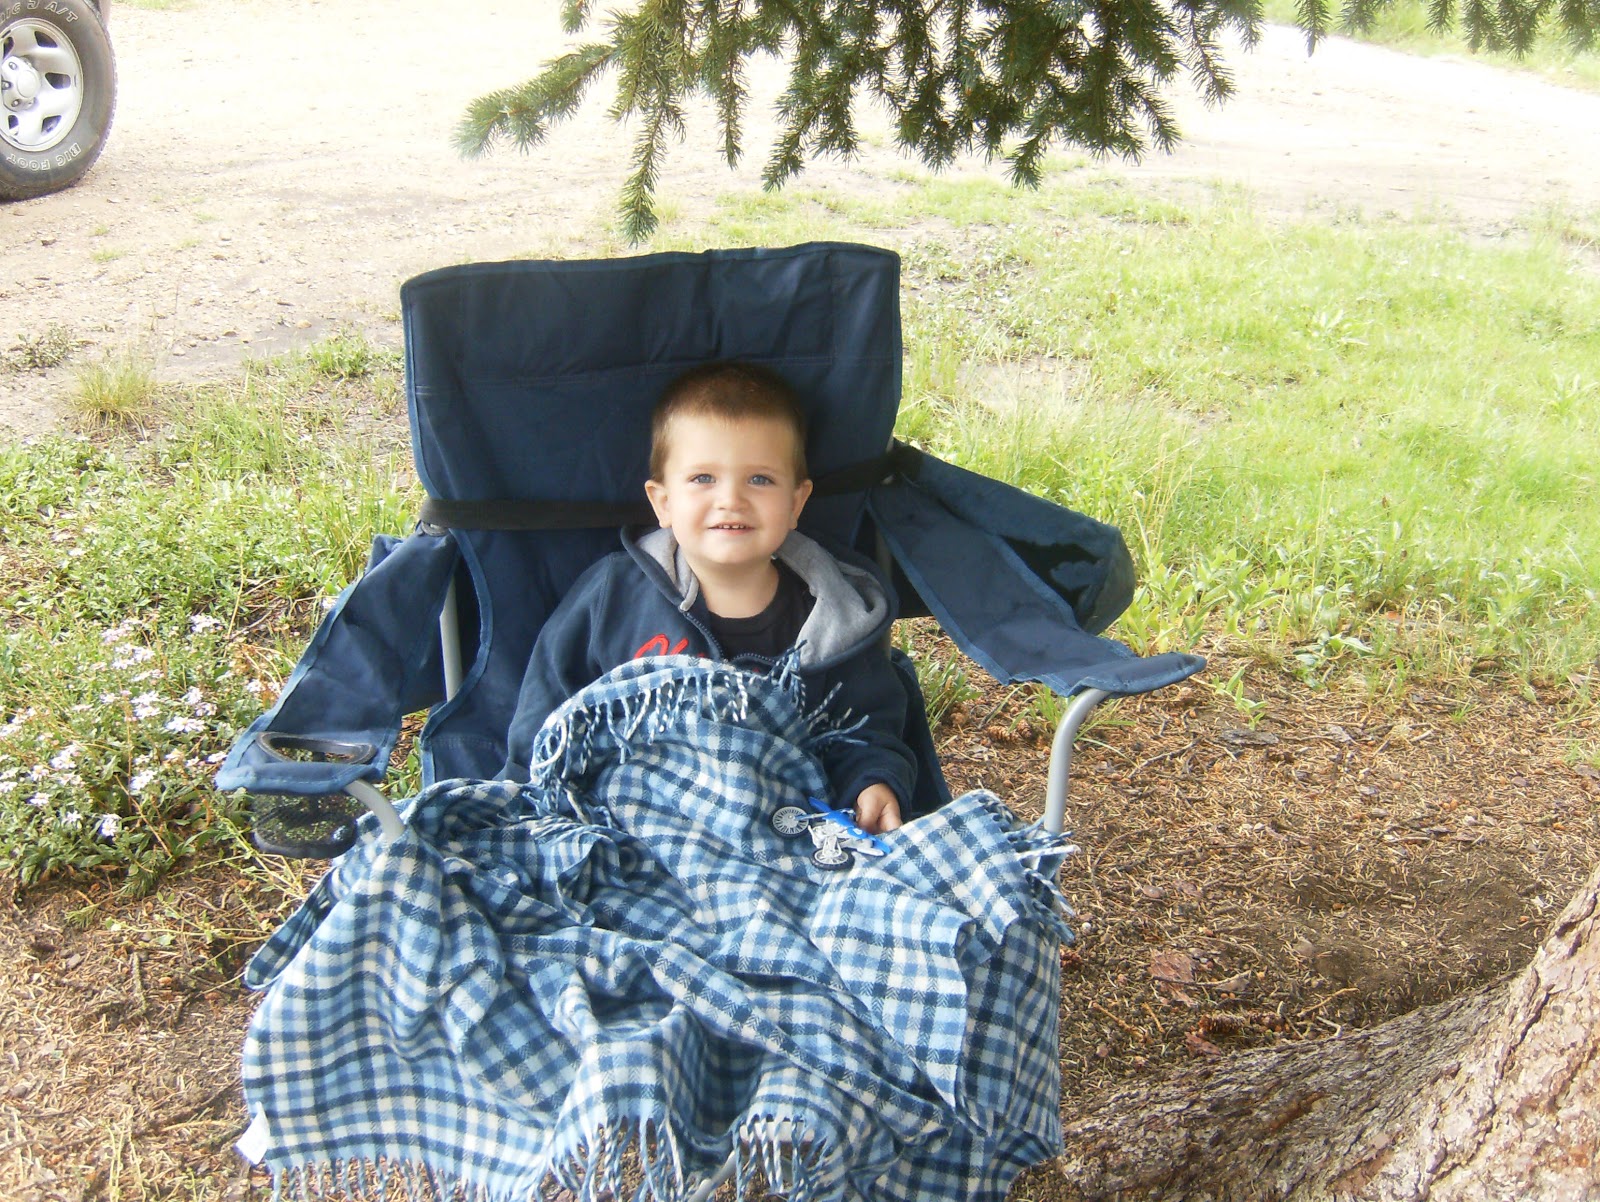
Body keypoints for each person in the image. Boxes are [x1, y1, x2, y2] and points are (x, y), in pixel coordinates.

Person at [500, 360, 913, 834]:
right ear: (663, 502)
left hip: (779, 830)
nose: (731, 499)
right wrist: (528, 796)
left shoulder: (833, 620)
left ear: (796, 502)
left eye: (760, 479)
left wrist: (872, 782)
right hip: (630, 823)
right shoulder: (612, 596)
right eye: (702, 479)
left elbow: (865, 731)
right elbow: (550, 707)